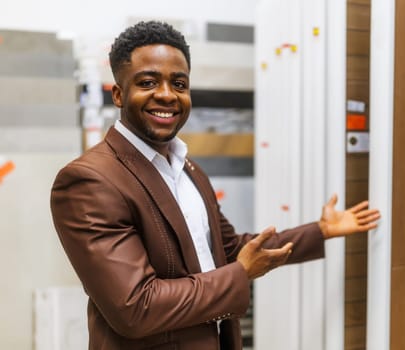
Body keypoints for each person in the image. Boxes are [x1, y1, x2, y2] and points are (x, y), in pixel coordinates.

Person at [50, 20, 380, 350]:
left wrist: (319, 231)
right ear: (119, 94)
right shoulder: (89, 180)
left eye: (179, 83)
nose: (166, 95)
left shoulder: (188, 168)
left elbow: (229, 249)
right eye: (148, 82)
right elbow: (136, 307)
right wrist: (241, 274)